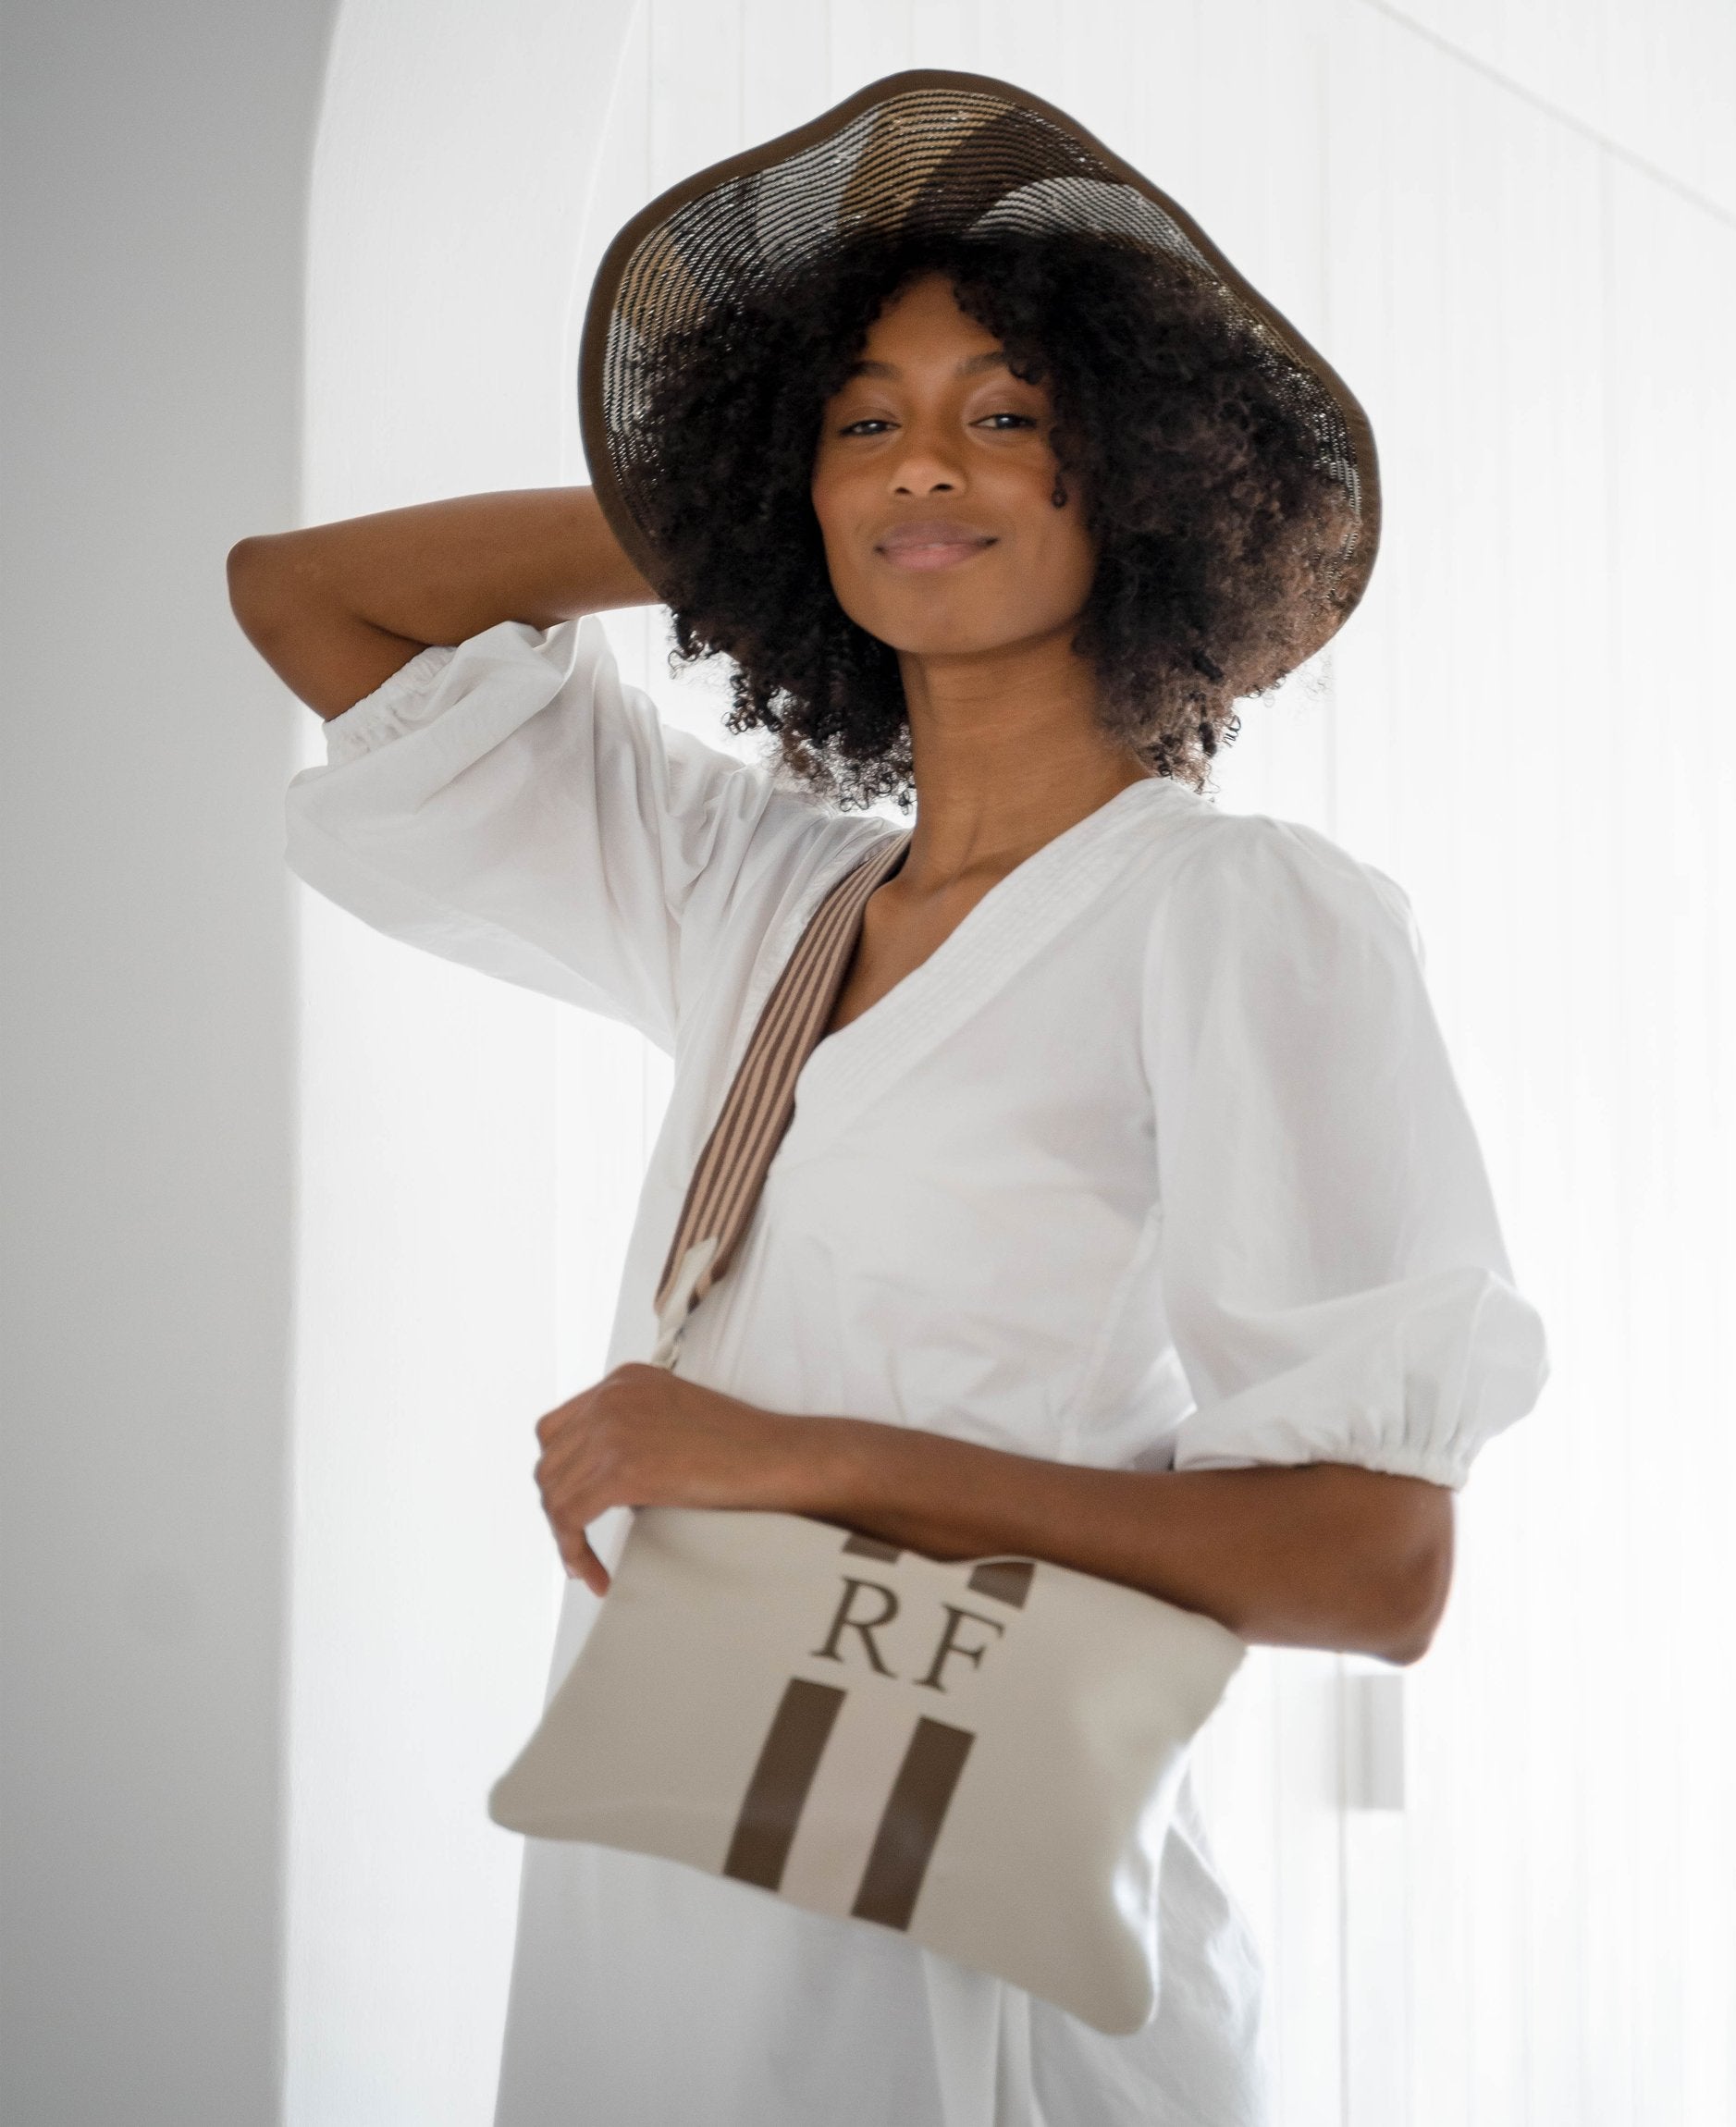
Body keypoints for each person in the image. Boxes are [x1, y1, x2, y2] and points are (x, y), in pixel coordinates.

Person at [230, 70, 1545, 2127]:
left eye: (1004, 416)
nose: (923, 462)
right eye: (861, 422)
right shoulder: (759, 890)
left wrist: (787, 1458)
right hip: (668, 1859)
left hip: (962, 1914)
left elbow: (1375, 1565)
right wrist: (741, 511)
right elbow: (306, 596)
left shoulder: (1231, 915)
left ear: (1140, 477)